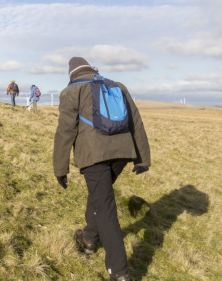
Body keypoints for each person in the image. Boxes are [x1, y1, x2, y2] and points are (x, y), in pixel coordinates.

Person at [53, 57, 151, 281]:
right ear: (91, 68)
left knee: (105, 207)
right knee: (100, 197)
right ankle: (88, 238)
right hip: (123, 153)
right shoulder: (117, 86)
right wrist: (142, 158)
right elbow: (136, 121)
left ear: (72, 74)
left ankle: (119, 272)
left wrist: (60, 168)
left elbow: (65, 132)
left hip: (93, 155)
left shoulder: (71, 91)